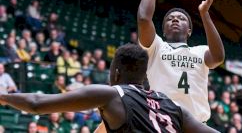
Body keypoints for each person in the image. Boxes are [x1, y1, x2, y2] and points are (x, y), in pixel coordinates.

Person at [0, 44, 218, 133]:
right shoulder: (175, 107)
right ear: (144, 77)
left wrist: (3, 97)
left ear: (114, 73)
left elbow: (36, 104)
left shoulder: (111, 94)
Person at [137, 0, 225, 122]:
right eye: (170, 19)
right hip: (162, 123)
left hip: (196, 125)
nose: (175, 20)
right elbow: (144, 19)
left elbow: (218, 57)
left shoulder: (201, 51)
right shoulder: (156, 47)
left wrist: (204, 14)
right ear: (163, 30)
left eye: (181, 19)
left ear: (189, 30)